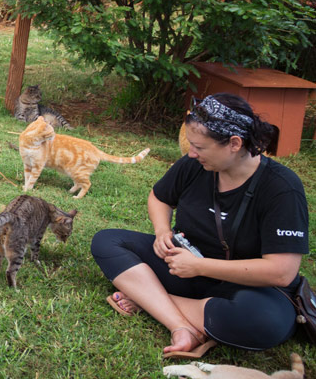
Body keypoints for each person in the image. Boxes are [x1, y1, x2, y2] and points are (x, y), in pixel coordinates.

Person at [91, 93, 309, 358]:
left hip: (248, 286)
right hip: (184, 268)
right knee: (107, 241)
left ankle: (148, 300)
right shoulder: (193, 165)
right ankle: (182, 325)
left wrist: (200, 266)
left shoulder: (282, 188)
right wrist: (162, 231)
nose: (192, 153)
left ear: (234, 143)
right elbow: (159, 197)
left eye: (200, 148)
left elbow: (281, 272)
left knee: (264, 323)